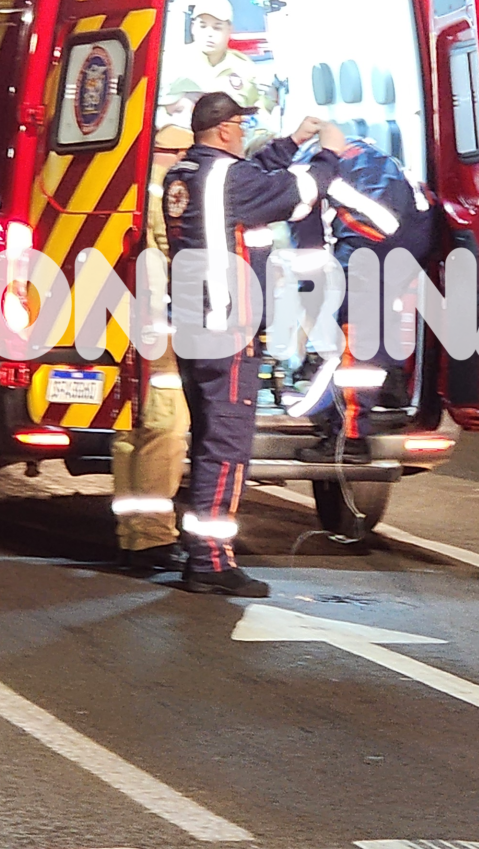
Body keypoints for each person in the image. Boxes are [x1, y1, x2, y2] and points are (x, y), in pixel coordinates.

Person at [163, 92, 342, 596]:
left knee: (207, 441)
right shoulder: (228, 178)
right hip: (228, 331)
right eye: (240, 126)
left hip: (195, 328)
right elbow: (300, 192)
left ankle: (199, 552)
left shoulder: (184, 174)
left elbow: (251, 175)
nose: (243, 133)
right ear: (224, 130)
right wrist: (329, 152)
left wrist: (291, 141)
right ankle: (211, 562)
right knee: (225, 448)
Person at [294, 134, 436, 463]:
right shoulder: (356, 148)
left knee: (356, 340)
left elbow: (310, 255)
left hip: (373, 240)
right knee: (377, 319)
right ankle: (391, 383)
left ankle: (351, 438)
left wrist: (307, 314)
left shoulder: (304, 175)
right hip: (416, 232)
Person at [110, 122, 192, 573]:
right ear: (175, 153)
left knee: (130, 432)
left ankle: (130, 533)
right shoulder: (167, 191)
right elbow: (174, 256)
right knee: (165, 429)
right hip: (160, 329)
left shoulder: (131, 186)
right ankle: (153, 539)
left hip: (128, 324)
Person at [160, 0, 274, 140]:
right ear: (193, 27)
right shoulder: (173, 61)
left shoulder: (244, 67)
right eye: (203, 26)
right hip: (179, 143)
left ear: (229, 29)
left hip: (229, 144)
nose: (209, 34)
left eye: (217, 28)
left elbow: (258, 111)